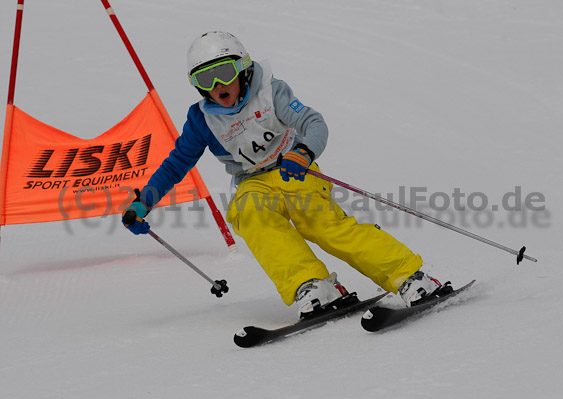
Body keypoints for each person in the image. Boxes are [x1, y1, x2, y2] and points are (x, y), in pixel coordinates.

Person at [122, 31, 450, 319]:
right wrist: (144, 202)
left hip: (295, 171)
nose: (218, 86)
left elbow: (314, 123)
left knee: (323, 225)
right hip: (254, 182)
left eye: (223, 73)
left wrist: (303, 152)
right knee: (249, 213)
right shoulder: (202, 120)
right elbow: (176, 164)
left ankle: (409, 277)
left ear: (242, 69)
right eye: (205, 80)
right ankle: (313, 286)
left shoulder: (270, 92)